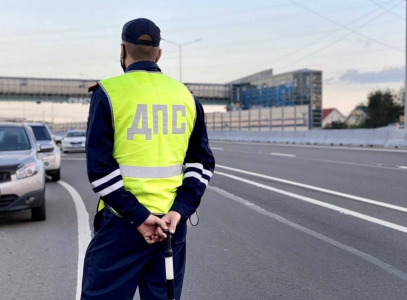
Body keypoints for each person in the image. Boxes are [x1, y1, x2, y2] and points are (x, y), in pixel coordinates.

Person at [81, 18, 215, 300]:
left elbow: (100, 170)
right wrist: (179, 211)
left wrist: (141, 217)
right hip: (171, 226)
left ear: (122, 50)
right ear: (158, 53)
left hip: (122, 224)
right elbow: (200, 165)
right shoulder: (187, 98)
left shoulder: (108, 93)